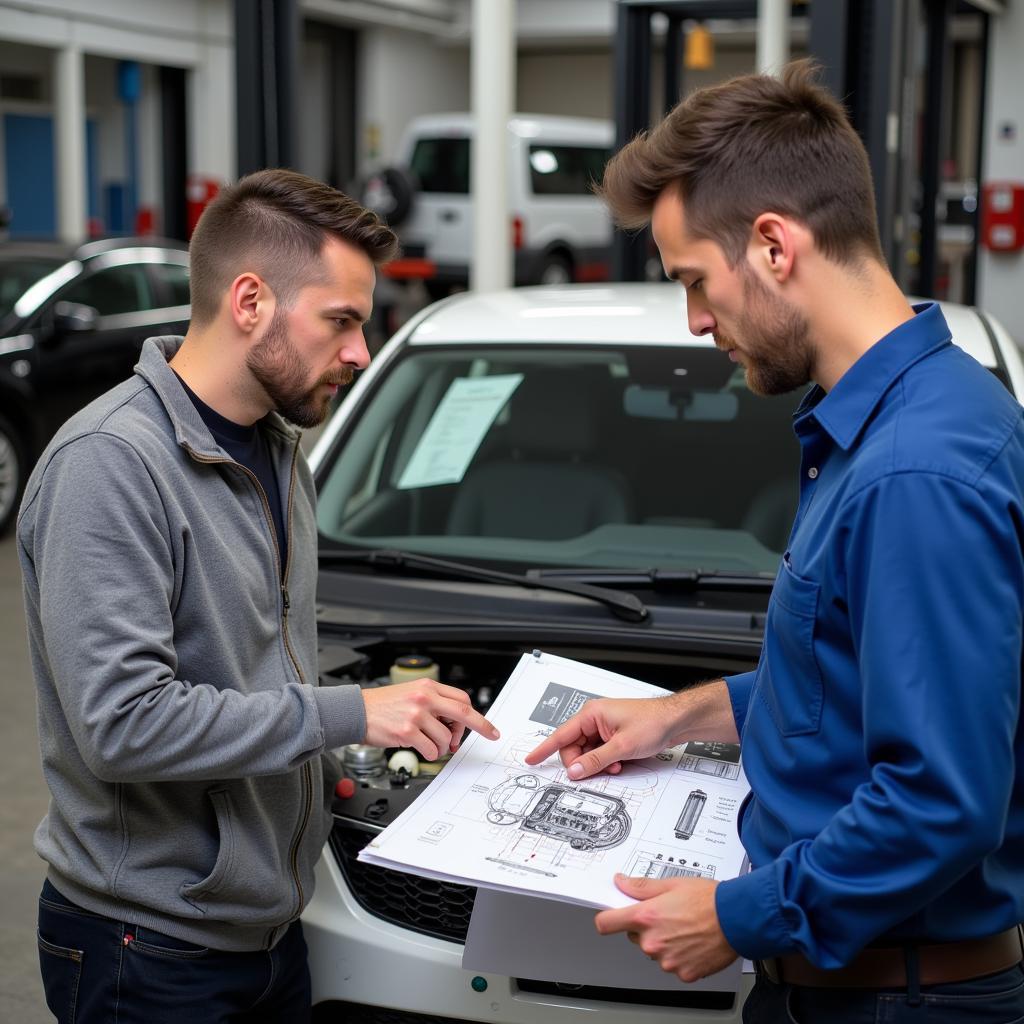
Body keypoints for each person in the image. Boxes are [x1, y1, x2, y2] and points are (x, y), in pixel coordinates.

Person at [527, 61, 1024, 1023]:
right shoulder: (886, 424)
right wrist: (676, 716)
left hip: (894, 1004)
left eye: (694, 282)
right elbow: (848, 685)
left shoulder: (914, 471)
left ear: (772, 244)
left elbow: (942, 798)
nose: (697, 322)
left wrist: (740, 916)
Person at [18, 168, 499, 1024]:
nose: (359, 351)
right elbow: (123, 725)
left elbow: (259, 662)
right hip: (149, 947)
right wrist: (351, 715)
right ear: (250, 302)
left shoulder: (279, 450)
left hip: (267, 931)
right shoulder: (109, 465)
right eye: (342, 321)